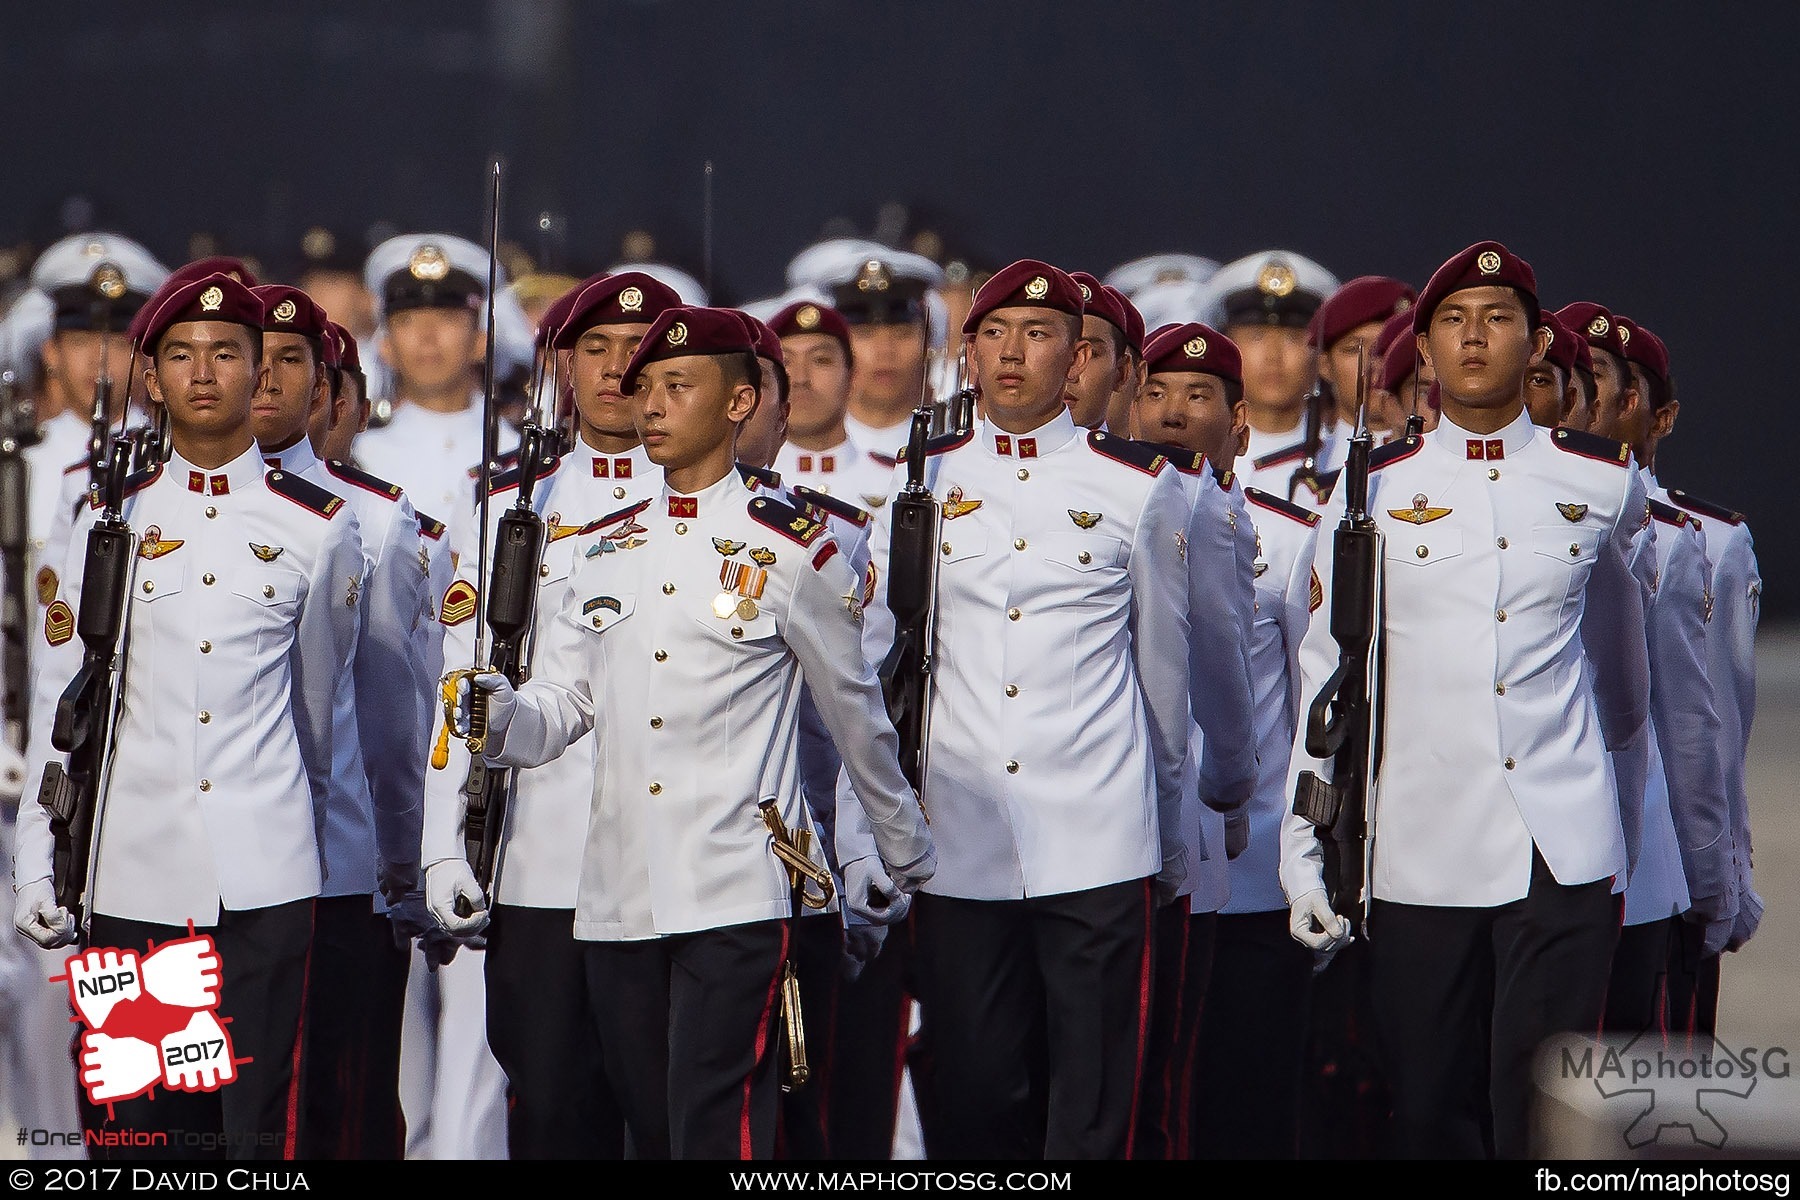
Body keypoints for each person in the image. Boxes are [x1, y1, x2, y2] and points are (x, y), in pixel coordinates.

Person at [447, 304, 934, 1159]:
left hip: (737, 882)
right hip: (617, 892)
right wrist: (496, 716)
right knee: (649, 1117)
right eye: (647, 390)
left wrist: (900, 848)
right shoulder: (594, 549)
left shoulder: (795, 549)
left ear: (740, 402)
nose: (652, 407)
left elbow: (854, 716)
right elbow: (562, 709)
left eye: (678, 386)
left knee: (716, 1123)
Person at [1282, 241, 1651, 1158]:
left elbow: (1625, 681)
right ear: (1425, 346)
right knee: (1429, 1108)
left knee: (1547, 1116)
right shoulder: (1371, 492)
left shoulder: (1604, 484)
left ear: (1536, 345)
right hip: (1420, 845)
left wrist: (1617, 832)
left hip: (1558, 846)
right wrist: (1302, 843)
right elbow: (1325, 679)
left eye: (1497, 318)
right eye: (1453, 319)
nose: (1474, 336)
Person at [13, 272, 363, 1159]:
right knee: (141, 1138)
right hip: (131, 872)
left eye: (226, 353)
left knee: (254, 1136)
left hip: (264, 882)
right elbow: (62, 708)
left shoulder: (319, 528)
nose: (203, 371)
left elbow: (318, 714)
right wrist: (33, 862)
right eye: (179, 354)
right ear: (151, 378)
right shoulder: (104, 516)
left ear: (263, 377)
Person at [851, 260, 1192, 1158]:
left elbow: (1162, 671)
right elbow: (878, 664)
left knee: (1092, 1102)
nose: (1012, 352)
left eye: (1038, 335)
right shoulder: (916, 483)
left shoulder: (1140, 486)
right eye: (994, 334)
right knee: (975, 1088)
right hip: (963, 837)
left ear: (1079, 358)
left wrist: (1167, 823)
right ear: (967, 354)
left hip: (1098, 830)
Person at [426, 270, 680, 1160]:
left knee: (671, 1119)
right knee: (554, 1112)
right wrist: (442, 845)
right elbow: (457, 692)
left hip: (680, 866)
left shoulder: (730, 508)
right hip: (543, 858)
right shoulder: (504, 502)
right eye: (595, 349)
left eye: (639, 351)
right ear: (562, 365)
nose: (618, 370)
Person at [247, 283, 434, 1158]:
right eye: (257, 355)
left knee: (337, 1108)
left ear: (326, 390)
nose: (267, 380)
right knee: (158, 1112)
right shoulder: (127, 510)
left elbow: (399, 710)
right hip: (162, 871)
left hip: (332, 866)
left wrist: (405, 857)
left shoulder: (379, 518)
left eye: (294, 362)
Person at [1121, 322, 1259, 1158]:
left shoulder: (1214, 510)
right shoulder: (1127, 494)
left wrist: (1231, 792)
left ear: (1237, 420)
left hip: (1186, 819)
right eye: (1158, 393)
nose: (1173, 412)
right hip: (1111, 815)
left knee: (1161, 1079)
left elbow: (1221, 671)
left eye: (1197, 396)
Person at [1207, 251, 1341, 505]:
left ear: (1320, 354)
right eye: (1256, 336)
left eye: (1292, 338)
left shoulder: (1341, 459)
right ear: (1227, 344)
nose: (1273, 356)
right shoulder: (1202, 450)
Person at [770, 301, 893, 511]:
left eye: (821, 360)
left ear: (853, 377)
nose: (800, 379)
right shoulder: (747, 485)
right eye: (786, 362)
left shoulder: (893, 481)